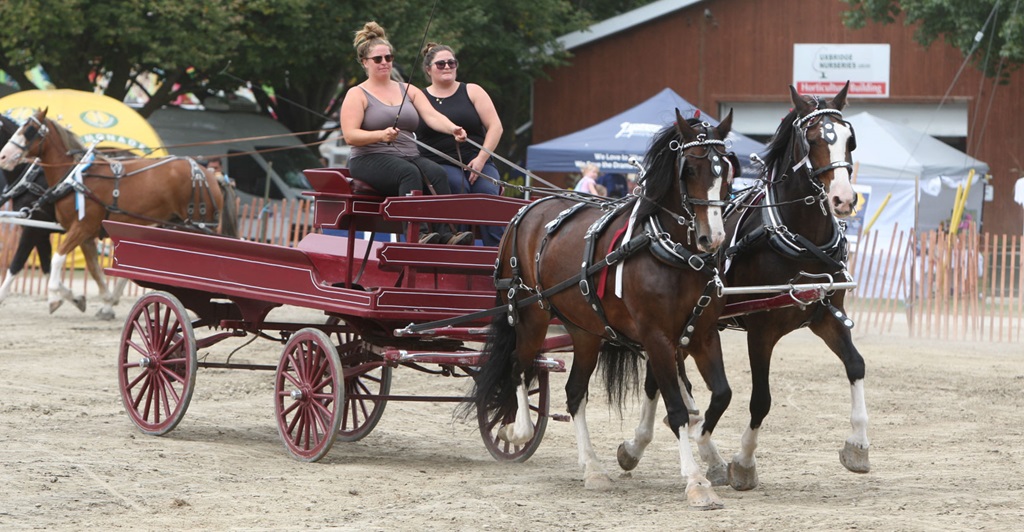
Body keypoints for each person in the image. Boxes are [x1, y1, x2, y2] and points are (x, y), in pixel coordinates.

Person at [339, 21, 473, 245]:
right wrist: (380, 135)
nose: (384, 63)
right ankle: (416, 233)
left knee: (438, 173)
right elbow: (350, 136)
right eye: (378, 59)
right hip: (369, 158)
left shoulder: (408, 90)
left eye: (388, 58)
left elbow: (431, 116)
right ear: (365, 62)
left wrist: (452, 128)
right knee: (408, 173)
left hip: (408, 155)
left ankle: (448, 233)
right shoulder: (357, 93)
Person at [416, 42, 505, 246]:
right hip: (438, 161)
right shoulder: (419, 97)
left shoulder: (472, 91)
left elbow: (496, 127)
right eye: (441, 64)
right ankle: (459, 246)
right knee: (457, 186)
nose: (447, 67)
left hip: (476, 159)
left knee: (487, 192)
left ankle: (497, 253)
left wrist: (482, 159)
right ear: (428, 69)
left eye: (451, 62)